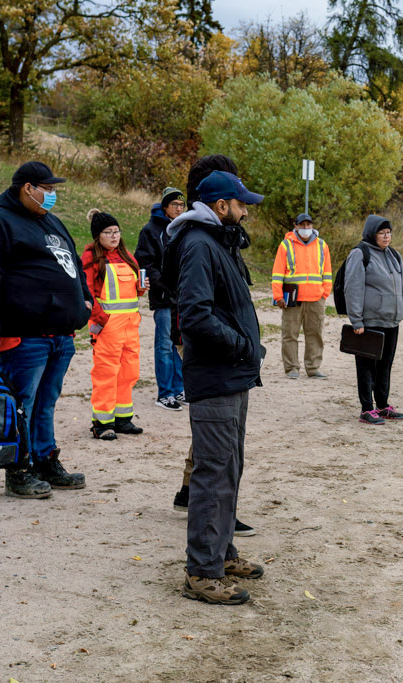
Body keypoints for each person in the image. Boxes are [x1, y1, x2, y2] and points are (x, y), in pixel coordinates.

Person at [164, 169, 265, 604]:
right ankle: (202, 573)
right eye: (240, 205)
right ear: (220, 207)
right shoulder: (198, 244)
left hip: (232, 373)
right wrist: (243, 346)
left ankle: (221, 553)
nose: (245, 212)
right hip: (217, 374)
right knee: (213, 475)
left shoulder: (216, 241)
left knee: (229, 469)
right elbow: (197, 315)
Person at [0, 161, 91, 498]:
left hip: (60, 336)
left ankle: (45, 459)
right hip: (24, 336)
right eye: (47, 188)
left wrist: (85, 299)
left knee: (47, 403)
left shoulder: (52, 222)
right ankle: (19, 469)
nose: (52, 195)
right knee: (22, 405)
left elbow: (73, 262)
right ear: (27, 188)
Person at [81, 209, 148, 439]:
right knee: (106, 373)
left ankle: (122, 420)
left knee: (129, 372)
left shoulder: (127, 256)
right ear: (97, 236)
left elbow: (132, 292)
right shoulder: (91, 257)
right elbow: (87, 290)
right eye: (108, 232)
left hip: (131, 326)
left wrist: (141, 287)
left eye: (116, 231)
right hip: (108, 327)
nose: (114, 236)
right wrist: (101, 319)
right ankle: (102, 423)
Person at [344, 215, 403, 424]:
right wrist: (356, 321)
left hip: (391, 321)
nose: (386, 236)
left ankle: (382, 405)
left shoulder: (394, 255)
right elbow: (352, 288)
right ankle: (367, 408)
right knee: (366, 366)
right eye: (382, 233)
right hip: (369, 322)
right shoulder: (360, 253)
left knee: (385, 365)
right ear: (372, 234)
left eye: (389, 232)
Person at [135, 187, 186, 411]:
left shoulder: (184, 228)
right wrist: (163, 284)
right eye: (174, 204)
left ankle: (179, 388)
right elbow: (145, 261)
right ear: (165, 207)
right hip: (164, 297)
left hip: (183, 297)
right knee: (164, 345)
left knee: (179, 344)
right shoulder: (151, 230)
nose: (179, 208)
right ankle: (164, 393)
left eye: (181, 205)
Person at [271, 212, 332, 379]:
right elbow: (277, 272)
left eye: (309, 225)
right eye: (302, 225)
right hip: (292, 299)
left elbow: (327, 272)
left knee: (315, 334)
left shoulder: (322, 245)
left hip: (316, 299)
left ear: (312, 226)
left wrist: (325, 293)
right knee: (289, 334)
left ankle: (313, 368)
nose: (306, 228)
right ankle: (292, 368)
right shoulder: (286, 245)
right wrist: (278, 296)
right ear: (296, 226)